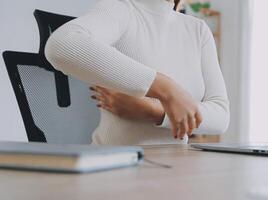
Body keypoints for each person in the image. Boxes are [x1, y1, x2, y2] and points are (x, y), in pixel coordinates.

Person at [45, 0, 230, 145]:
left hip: (175, 172)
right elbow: (61, 44)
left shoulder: (198, 30)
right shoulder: (120, 10)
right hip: (114, 173)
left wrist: (154, 111)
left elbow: (221, 117)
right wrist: (167, 89)